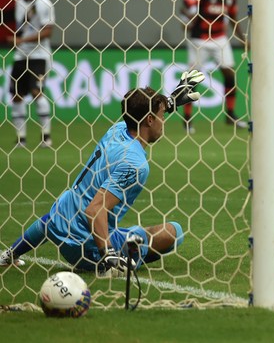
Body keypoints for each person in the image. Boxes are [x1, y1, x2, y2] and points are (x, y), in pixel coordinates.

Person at [0, 71, 205, 273]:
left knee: (59, 213)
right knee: (173, 232)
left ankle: (9, 254)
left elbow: (138, 109)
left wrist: (169, 102)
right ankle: (117, 260)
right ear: (150, 120)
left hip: (60, 220)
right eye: (161, 116)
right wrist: (107, 254)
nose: (164, 122)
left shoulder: (116, 130)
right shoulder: (136, 164)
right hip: (88, 246)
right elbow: (95, 210)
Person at [180, 0, 248, 132]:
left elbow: (233, 18)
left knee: (230, 74)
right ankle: (187, 118)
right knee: (192, 79)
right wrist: (193, 12)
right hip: (199, 40)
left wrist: (242, 39)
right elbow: (186, 1)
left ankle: (230, 114)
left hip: (219, 39)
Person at [9, 0, 55, 149]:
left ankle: (46, 137)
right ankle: (21, 138)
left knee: (37, 91)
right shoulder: (19, 3)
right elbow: (22, 28)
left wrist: (21, 40)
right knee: (17, 95)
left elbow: (47, 32)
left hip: (39, 55)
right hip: (21, 55)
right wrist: (18, 41)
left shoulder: (44, 3)